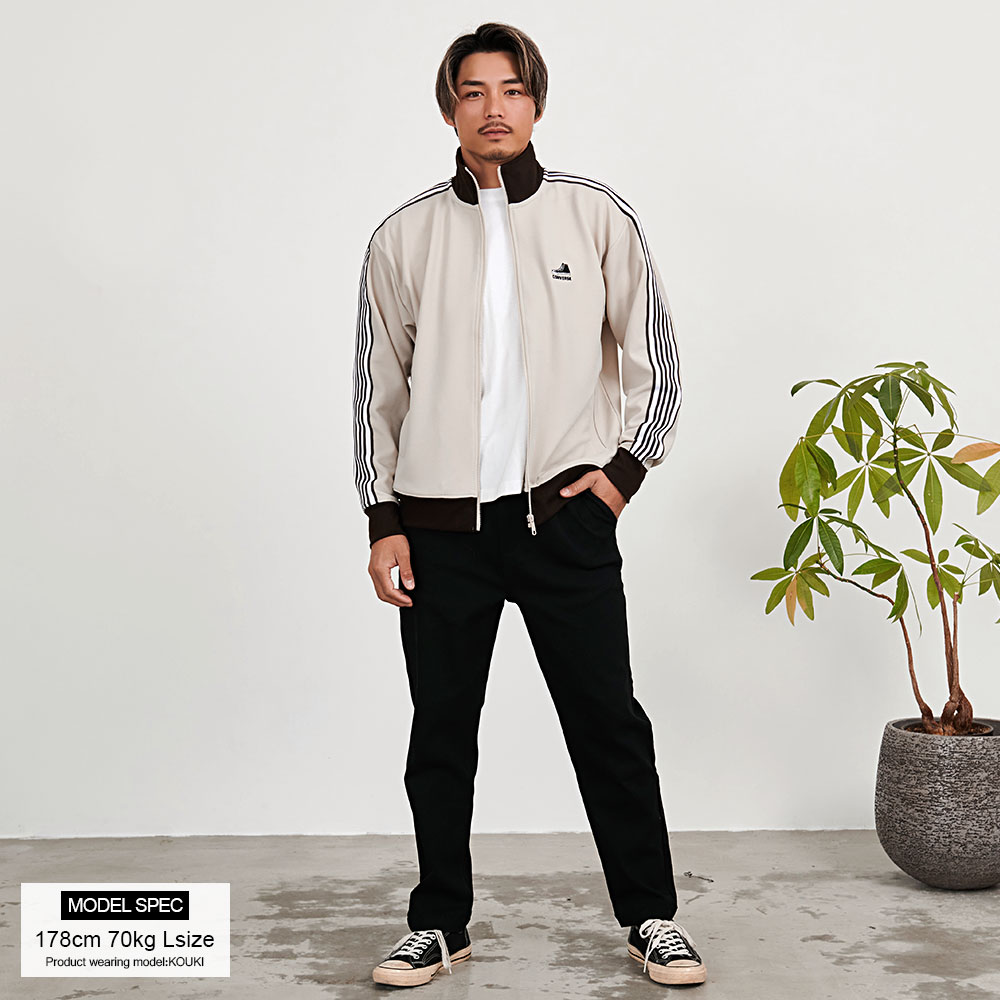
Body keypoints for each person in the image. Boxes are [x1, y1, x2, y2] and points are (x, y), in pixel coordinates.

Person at [353, 21, 705, 989]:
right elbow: (377, 390)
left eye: (511, 90)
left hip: (564, 522)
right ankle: (439, 923)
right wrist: (382, 521)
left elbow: (659, 362)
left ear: (536, 104)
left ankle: (651, 916)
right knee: (440, 734)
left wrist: (620, 478)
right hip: (440, 532)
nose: (493, 108)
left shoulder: (595, 216)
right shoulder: (402, 237)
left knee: (609, 724)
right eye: (473, 92)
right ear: (449, 110)